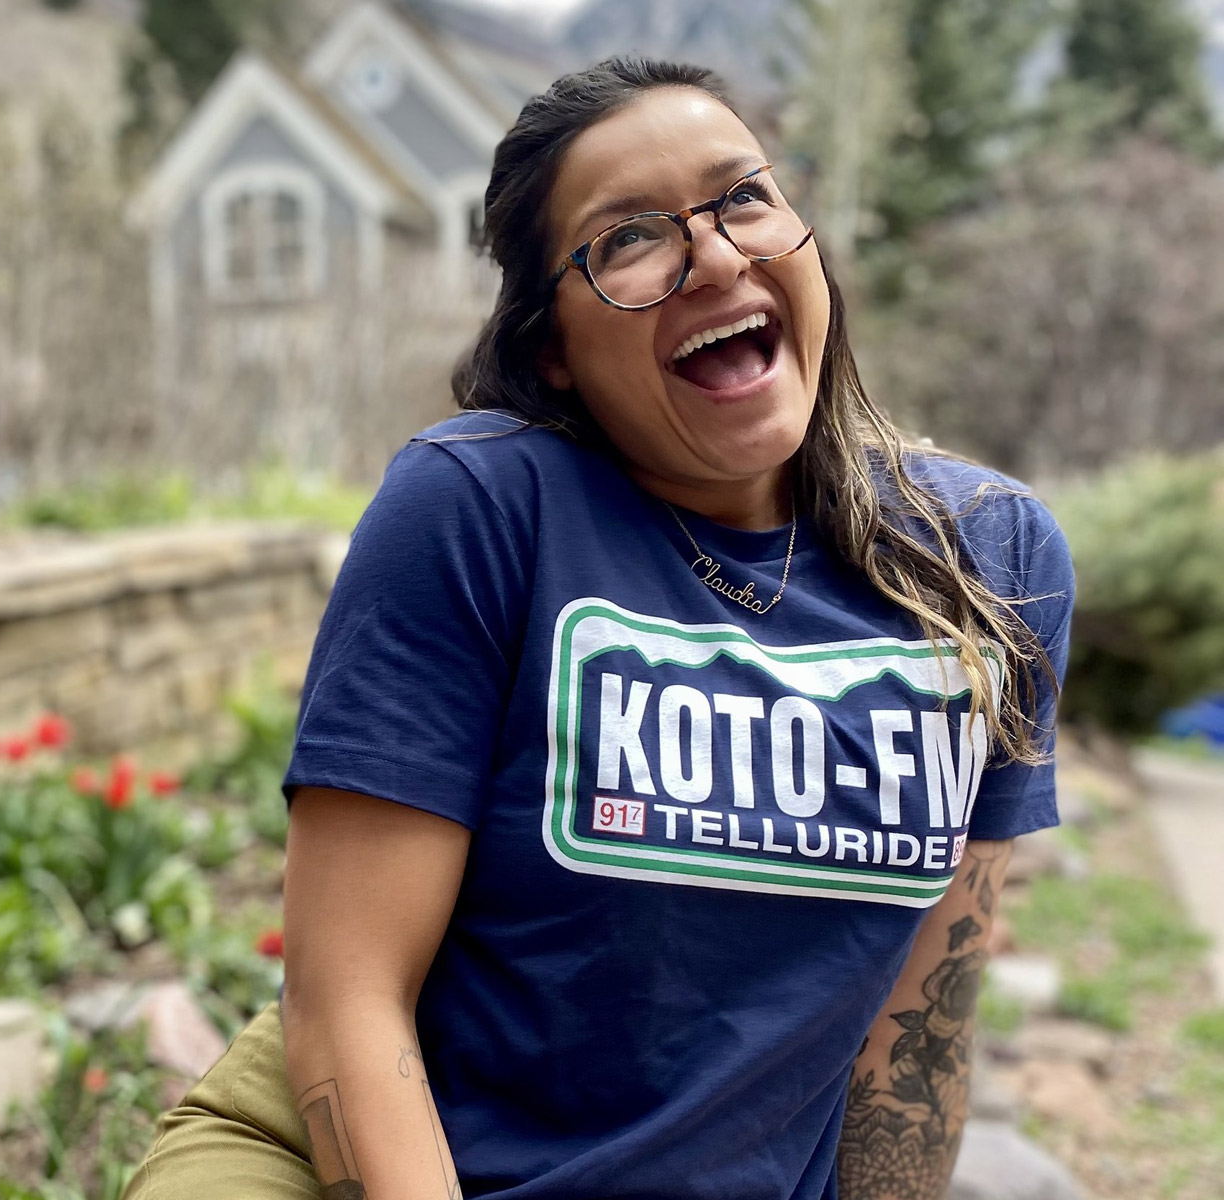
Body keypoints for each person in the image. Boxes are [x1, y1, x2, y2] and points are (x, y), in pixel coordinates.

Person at [125, 56, 1073, 1200]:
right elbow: (347, 999)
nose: (716, 253)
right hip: (377, 1154)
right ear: (553, 353)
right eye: (630, 240)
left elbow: (922, 1032)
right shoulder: (476, 509)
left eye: (744, 198)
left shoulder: (988, 560)